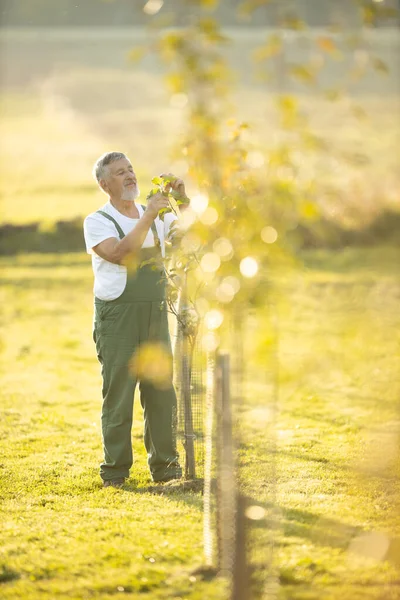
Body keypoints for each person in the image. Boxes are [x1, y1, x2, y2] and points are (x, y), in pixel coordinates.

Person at [83, 151, 187, 488]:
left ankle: (167, 470)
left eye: (130, 170)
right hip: (117, 318)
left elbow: (189, 235)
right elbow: (118, 253)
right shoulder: (98, 220)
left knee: (160, 392)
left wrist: (181, 199)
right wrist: (150, 215)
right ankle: (115, 473)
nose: (129, 176)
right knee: (119, 393)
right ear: (104, 184)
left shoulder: (155, 214)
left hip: (155, 312)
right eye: (119, 172)